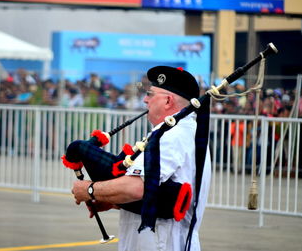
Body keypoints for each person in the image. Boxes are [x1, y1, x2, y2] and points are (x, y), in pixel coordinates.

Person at [71, 66, 211, 251]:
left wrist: (89, 190)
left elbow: (137, 188)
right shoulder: (177, 132)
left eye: (150, 94)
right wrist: (114, 201)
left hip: (161, 244)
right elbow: (158, 194)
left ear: (168, 101)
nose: (145, 100)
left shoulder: (172, 136)